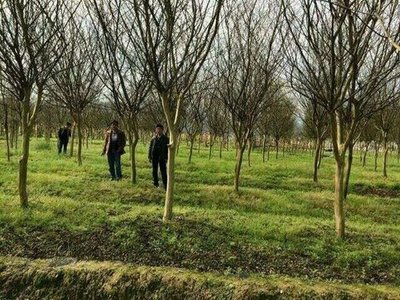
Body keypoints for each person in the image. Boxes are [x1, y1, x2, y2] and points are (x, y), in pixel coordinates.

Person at [148, 124, 169, 189]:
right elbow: (150, 147)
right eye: (157, 129)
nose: (158, 130)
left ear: (162, 130)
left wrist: (167, 157)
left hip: (162, 157)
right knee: (154, 171)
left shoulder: (166, 139)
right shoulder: (153, 138)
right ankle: (155, 184)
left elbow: (167, 149)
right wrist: (149, 156)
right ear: (155, 130)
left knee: (163, 171)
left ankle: (165, 185)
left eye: (159, 129)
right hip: (154, 157)